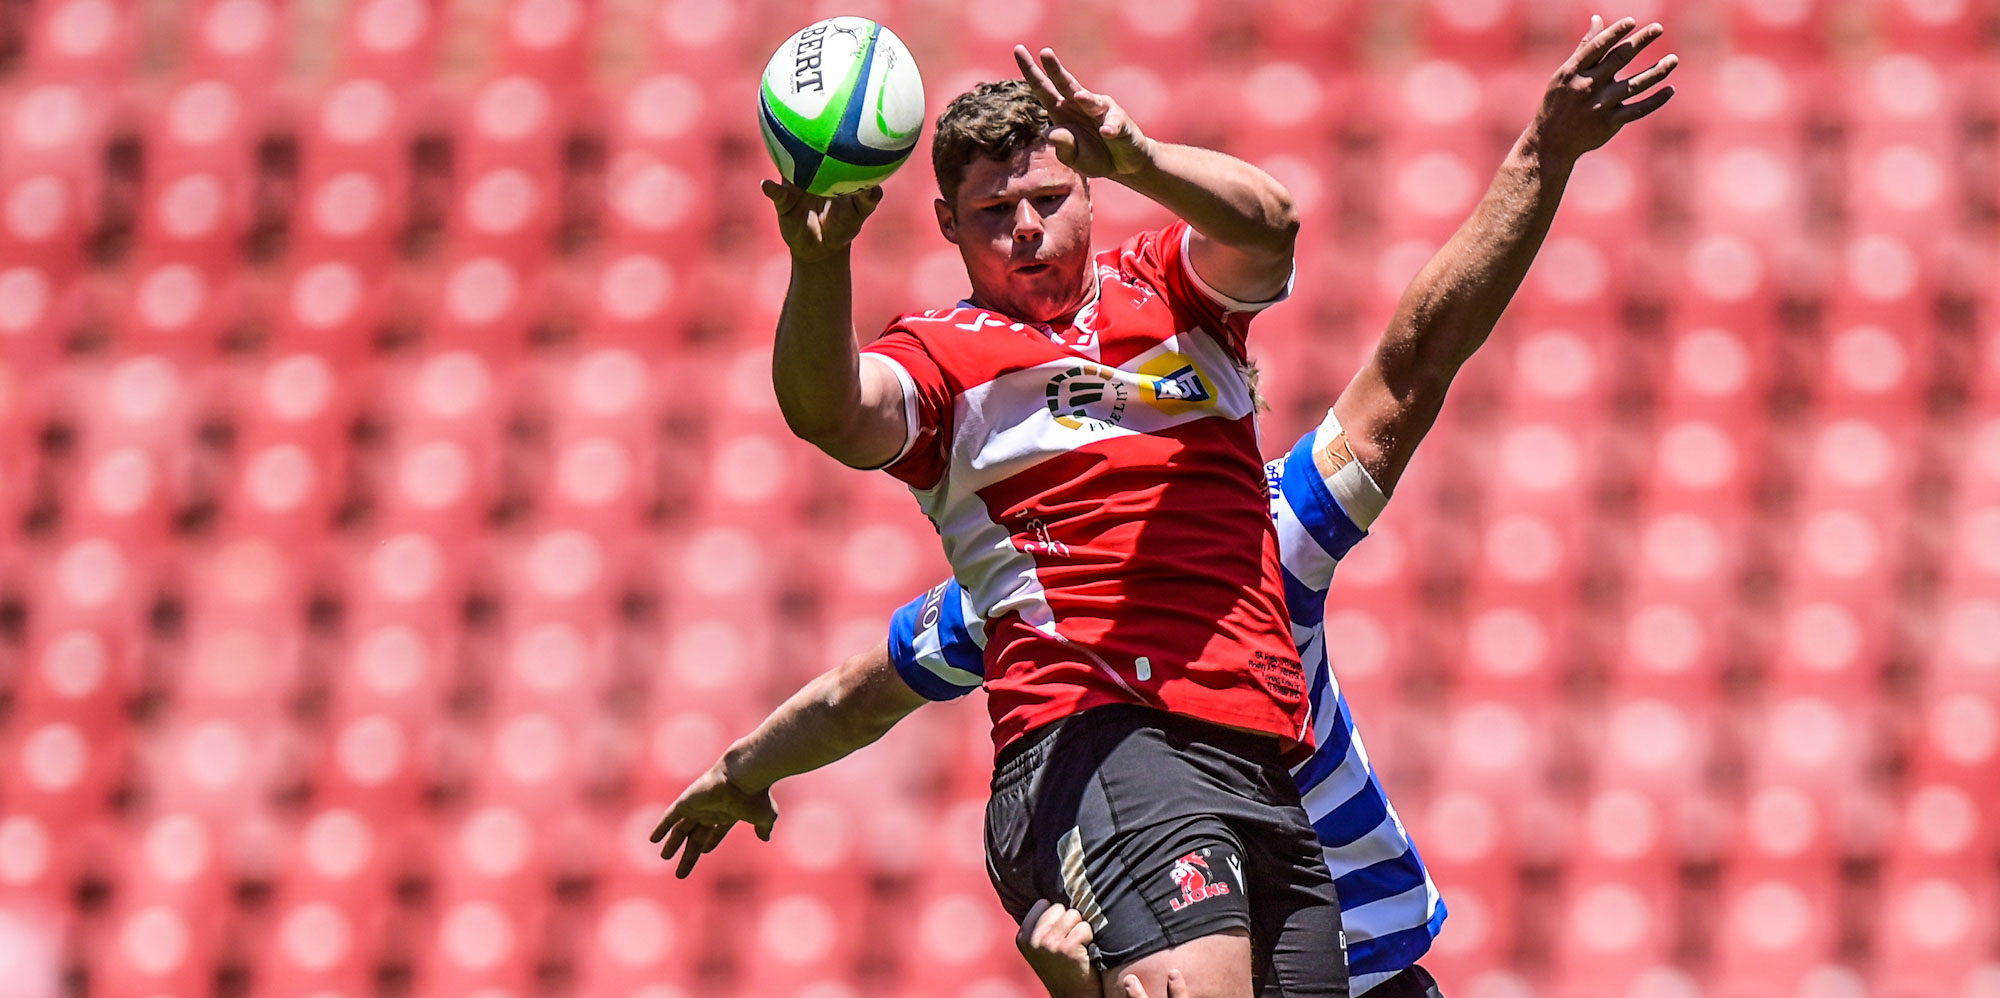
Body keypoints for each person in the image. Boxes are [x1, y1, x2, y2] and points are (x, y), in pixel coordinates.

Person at [729, 17, 1675, 997]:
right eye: (994, 211)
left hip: (1353, 927)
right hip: (1131, 765)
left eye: (1050, 198)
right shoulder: (1022, 571)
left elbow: (1378, 322)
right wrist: (742, 771)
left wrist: (1539, 154)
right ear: (944, 223)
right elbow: (861, 644)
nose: (1025, 228)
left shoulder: (1271, 513)